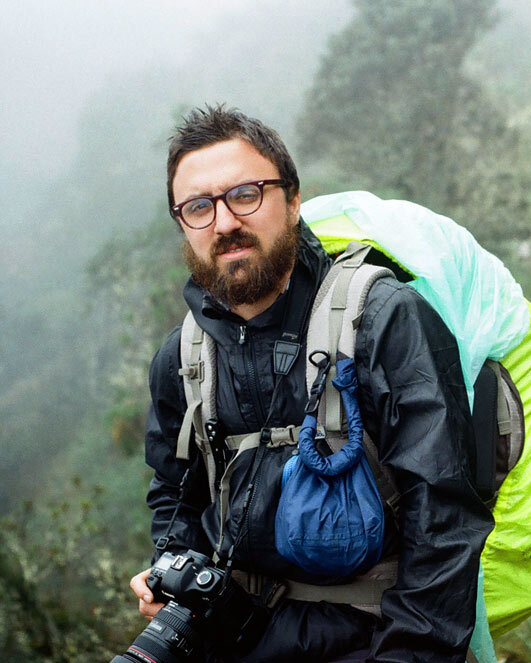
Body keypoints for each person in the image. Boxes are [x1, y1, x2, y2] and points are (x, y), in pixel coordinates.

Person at [128, 105, 494, 663]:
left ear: (293, 200)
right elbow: (174, 490)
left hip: (376, 638)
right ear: (183, 225)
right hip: (236, 643)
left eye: (245, 194)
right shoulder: (182, 356)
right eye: (199, 207)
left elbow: (443, 518)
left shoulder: (381, 318)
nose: (225, 222)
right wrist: (174, 563)